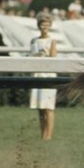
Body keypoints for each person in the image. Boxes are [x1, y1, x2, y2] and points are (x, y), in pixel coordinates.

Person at [29, 12, 58, 140]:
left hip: (48, 74)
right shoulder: (34, 40)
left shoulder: (52, 41)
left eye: (46, 24)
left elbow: (53, 58)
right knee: (40, 108)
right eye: (42, 24)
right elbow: (31, 55)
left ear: (50, 26)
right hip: (37, 73)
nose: (44, 27)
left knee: (48, 107)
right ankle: (42, 134)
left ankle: (49, 135)